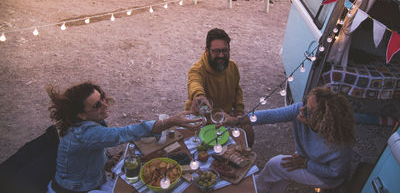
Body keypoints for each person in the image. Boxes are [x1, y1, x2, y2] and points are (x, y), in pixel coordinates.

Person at [47, 82, 201, 193]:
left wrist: (106, 162)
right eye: (96, 105)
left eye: (102, 98)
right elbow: (125, 133)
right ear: (80, 114)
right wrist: (170, 121)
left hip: (93, 180)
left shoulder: (87, 122)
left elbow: (89, 153)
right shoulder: (84, 133)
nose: (105, 105)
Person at [223, 87, 355, 192]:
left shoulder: (340, 142)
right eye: (304, 102)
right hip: (305, 159)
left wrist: (305, 163)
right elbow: (270, 115)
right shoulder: (300, 110)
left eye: (309, 111)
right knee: (281, 173)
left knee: (276, 164)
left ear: (323, 120)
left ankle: (256, 187)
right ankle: (261, 187)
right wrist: (237, 120)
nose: (302, 109)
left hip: (325, 177)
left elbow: (336, 173)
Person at [185, 28, 254, 146]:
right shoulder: (197, 70)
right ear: (207, 51)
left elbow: (237, 91)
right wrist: (199, 96)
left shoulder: (232, 67)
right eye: (216, 51)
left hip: (225, 118)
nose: (221, 55)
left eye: (225, 50)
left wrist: (238, 113)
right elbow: (194, 83)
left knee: (248, 131)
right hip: (201, 120)